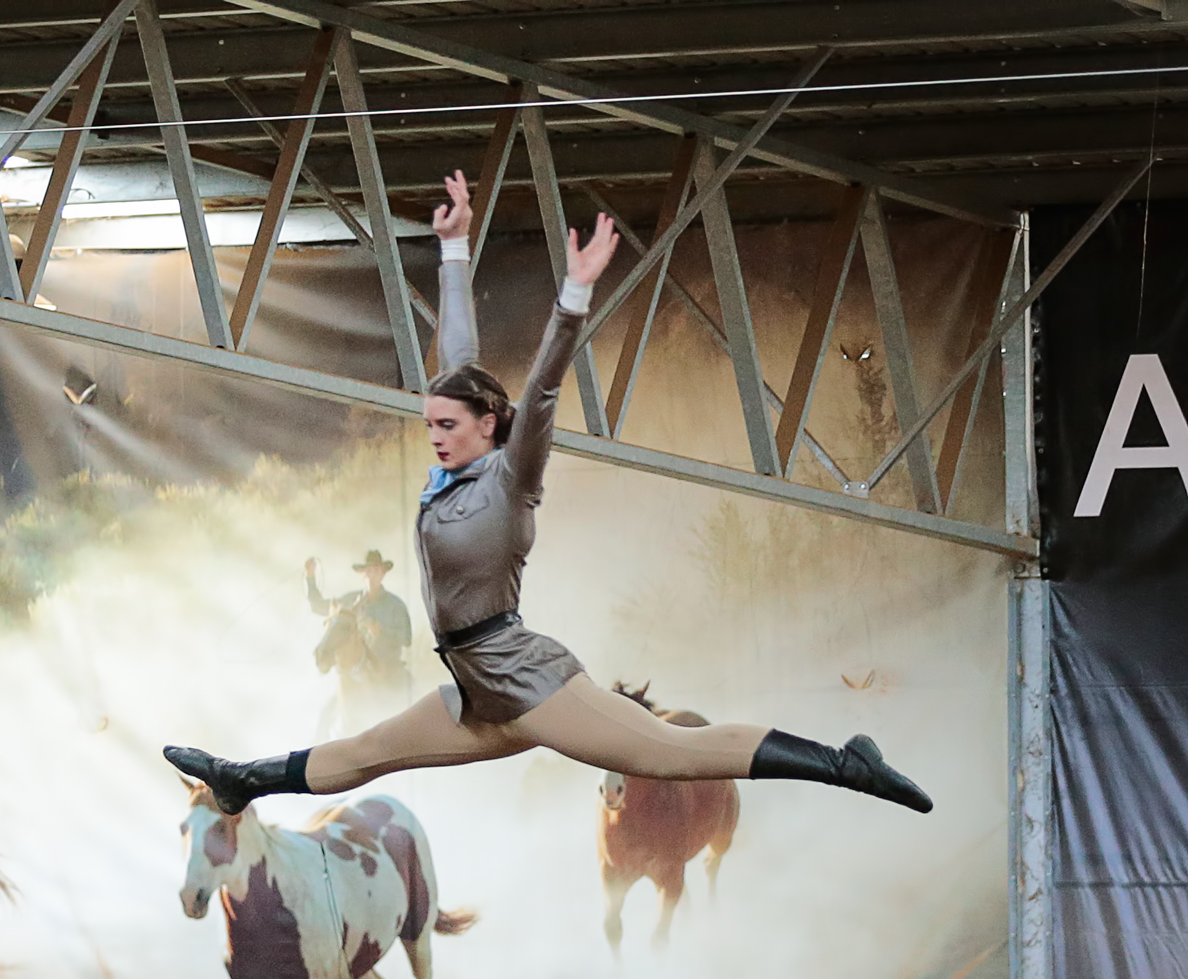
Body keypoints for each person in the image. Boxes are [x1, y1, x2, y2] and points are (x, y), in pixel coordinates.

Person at [166, 171, 931, 819]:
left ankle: (845, 763)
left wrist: (572, 299)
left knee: (667, 753)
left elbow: (538, 393)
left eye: (445, 425)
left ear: (487, 426)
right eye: (427, 422)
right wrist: (455, 246)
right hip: (474, 688)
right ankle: (241, 782)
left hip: (527, 677)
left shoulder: (510, 476)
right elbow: (457, 355)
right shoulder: (451, 466)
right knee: (368, 754)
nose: (430, 435)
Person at [305, 549, 413, 695]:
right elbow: (318, 606)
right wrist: (310, 577)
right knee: (328, 713)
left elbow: (406, 639)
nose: (371, 575)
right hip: (355, 673)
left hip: (389, 670)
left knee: (408, 695)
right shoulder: (349, 601)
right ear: (362, 574)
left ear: (383, 573)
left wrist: (381, 631)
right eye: (368, 570)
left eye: (376, 570)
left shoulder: (396, 605)